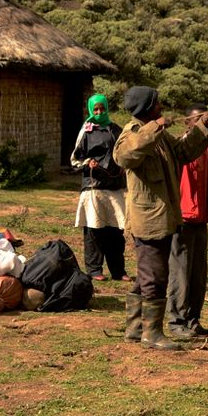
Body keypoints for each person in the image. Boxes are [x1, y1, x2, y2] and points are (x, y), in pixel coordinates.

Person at [113, 86, 208, 351]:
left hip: (163, 217)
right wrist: (154, 128)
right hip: (147, 221)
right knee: (155, 276)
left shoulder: (159, 137)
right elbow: (124, 156)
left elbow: (182, 153)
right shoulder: (132, 133)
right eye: (156, 103)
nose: (161, 106)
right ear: (147, 107)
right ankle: (152, 333)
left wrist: (203, 130)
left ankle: (136, 328)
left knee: (147, 274)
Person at [167, 103, 208, 339]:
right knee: (180, 272)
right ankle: (176, 321)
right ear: (188, 123)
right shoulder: (179, 151)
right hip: (182, 219)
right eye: (199, 121)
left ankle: (193, 319)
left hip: (201, 220)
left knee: (199, 274)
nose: (204, 124)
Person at [70, 93, 128, 282]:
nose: (99, 112)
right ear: (90, 110)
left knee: (116, 231)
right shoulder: (86, 131)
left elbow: (125, 153)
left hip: (114, 187)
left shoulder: (116, 130)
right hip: (94, 187)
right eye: (95, 109)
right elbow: (74, 160)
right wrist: (88, 163)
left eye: (102, 108)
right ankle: (94, 270)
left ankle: (118, 271)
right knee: (94, 230)